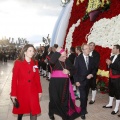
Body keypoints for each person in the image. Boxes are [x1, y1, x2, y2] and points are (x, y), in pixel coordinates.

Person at [10, 44, 42, 120]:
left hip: (33, 90)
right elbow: (14, 79)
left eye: (33, 51)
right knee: (21, 111)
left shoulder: (35, 62)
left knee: (34, 110)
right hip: (22, 90)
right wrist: (13, 94)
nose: (32, 53)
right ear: (25, 52)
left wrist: (39, 91)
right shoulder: (18, 63)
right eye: (30, 51)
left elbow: (37, 78)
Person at [49, 47, 81, 120]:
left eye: (66, 55)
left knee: (64, 99)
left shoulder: (67, 61)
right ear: (58, 56)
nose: (65, 57)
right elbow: (51, 62)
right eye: (63, 56)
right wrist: (57, 51)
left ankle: (64, 115)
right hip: (55, 84)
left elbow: (74, 70)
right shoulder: (55, 61)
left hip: (65, 84)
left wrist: (69, 72)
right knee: (54, 99)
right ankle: (51, 113)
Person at [74, 44, 96, 119]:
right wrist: (76, 81)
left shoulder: (92, 58)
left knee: (85, 97)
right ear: (82, 50)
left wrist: (91, 74)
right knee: (83, 97)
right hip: (80, 81)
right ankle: (83, 112)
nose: (88, 49)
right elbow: (75, 71)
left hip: (88, 81)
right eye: (86, 48)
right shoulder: (78, 58)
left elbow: (94, 69)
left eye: (89, 48)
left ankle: (82, 107)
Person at [103, 44, 120, 116]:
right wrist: (108, 64)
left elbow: (119, 67)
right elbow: (109, 67)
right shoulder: (112, 56)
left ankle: (116, 108)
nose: (112, 49)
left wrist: (110, 63)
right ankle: (110, 104)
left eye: (113, 48)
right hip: (111, 77)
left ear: (117, 49)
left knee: (118, 93)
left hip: (117, 78)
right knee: (111, 91)